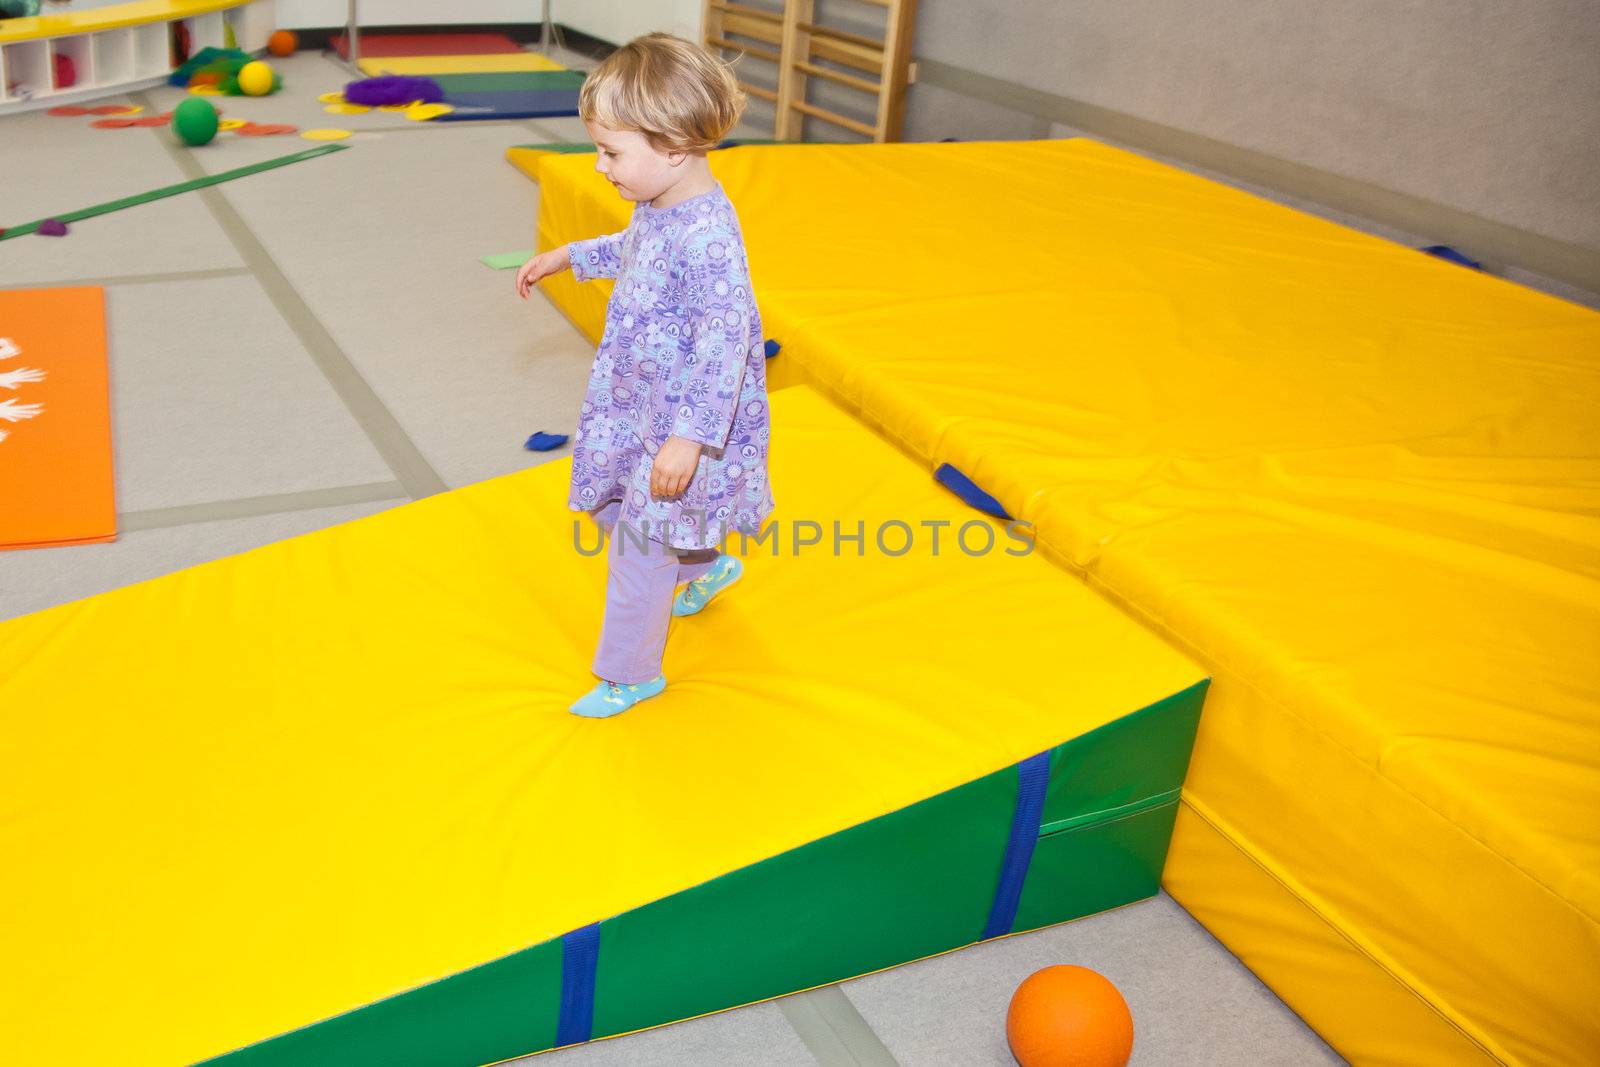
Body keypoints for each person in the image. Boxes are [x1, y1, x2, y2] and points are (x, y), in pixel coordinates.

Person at [516, 33, 773, 719]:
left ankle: (630, 671)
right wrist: (569, 255)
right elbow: (634, 248)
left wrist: (688, 438)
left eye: (610, 151)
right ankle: (704, 566)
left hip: (686, 415)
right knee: (613, 507)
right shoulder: (659, 203)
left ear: (675, 147)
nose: (599, 165)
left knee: (639, 543)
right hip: (638, 399)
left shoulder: (710, 238)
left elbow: (728, 345)